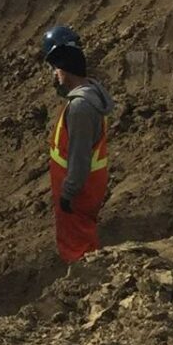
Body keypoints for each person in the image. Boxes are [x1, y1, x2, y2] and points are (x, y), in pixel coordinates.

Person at [42, 23, 115, 264]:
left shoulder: (81, 107)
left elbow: (80, 156)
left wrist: (68, 192)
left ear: (64, 67)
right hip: (83, 186)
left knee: (79, 247)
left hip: (78, 191)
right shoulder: (85, 100)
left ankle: (86, 281)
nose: (54, 75)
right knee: (79, 237)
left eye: (55, 68)